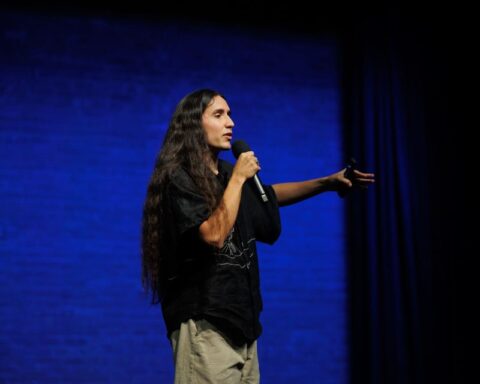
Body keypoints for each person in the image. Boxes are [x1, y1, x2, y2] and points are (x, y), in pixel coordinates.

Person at [141, 89, 375, 383]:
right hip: (206, 324)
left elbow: (268, 196)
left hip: (243, 325)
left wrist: (325, 183)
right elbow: (213, 234)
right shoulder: (180, 177)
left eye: (229, 114)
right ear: (193, 125)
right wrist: (239, 178)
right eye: (218, 115)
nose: (231, 123)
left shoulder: (227, 174)